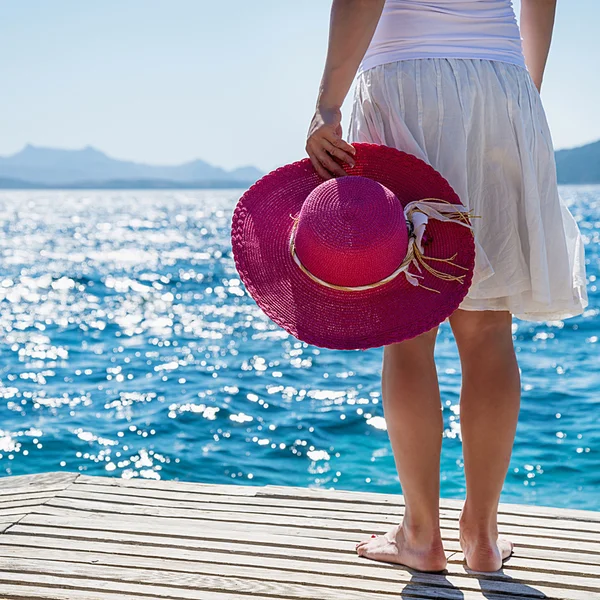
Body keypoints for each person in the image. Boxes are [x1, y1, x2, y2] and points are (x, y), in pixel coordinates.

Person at [305, 0, 588, 573]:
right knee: (487, 327)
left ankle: (420, 535)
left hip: (403, 81)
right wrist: (521, 86)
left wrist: (326, 106)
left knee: (409, 326)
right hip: (502, 84)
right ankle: (481, 538)